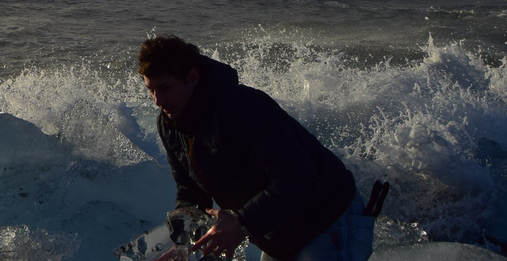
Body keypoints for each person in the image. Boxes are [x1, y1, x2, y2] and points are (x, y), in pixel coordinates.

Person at [139, 35, 374, 261]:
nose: (157, 100)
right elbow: (190, 191)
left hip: (329, 218)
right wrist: (181, 243)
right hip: (277, 232)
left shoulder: (242, 108)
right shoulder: (170, 124)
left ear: (192, 77)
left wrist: (241, 223)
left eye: (165, 87)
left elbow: (298, 179)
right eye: (151, 90)